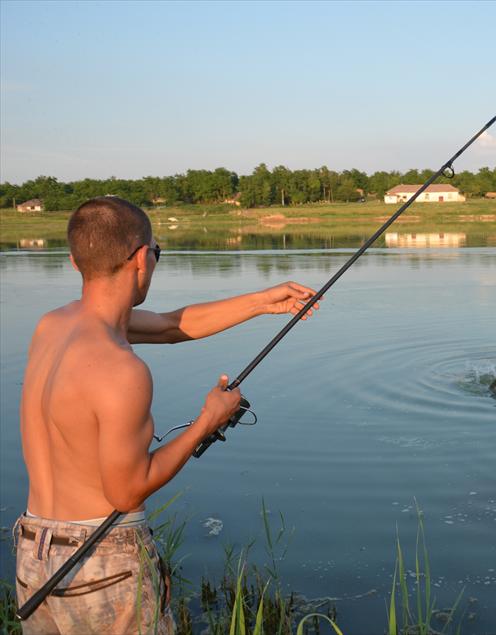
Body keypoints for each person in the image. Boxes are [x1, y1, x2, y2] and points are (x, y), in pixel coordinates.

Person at [15, 196, 320, 634]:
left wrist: (264, 301)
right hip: (101, 560)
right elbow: (127, 491)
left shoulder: (53, 326)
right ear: (142, 258)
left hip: (34, 553)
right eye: (157, 252)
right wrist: (206, 423)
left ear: (75, 259)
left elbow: (172, 326)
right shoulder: (121, 370)